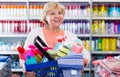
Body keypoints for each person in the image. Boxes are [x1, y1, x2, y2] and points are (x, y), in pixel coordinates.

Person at [22, 2, 91, 77]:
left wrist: (82, 63)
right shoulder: (35, 33)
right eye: (52, 13)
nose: (57, 16)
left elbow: (86, 53)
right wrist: (25, 68)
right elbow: (24, 54)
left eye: (60, 13)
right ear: (45, 16)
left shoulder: (69, 35)